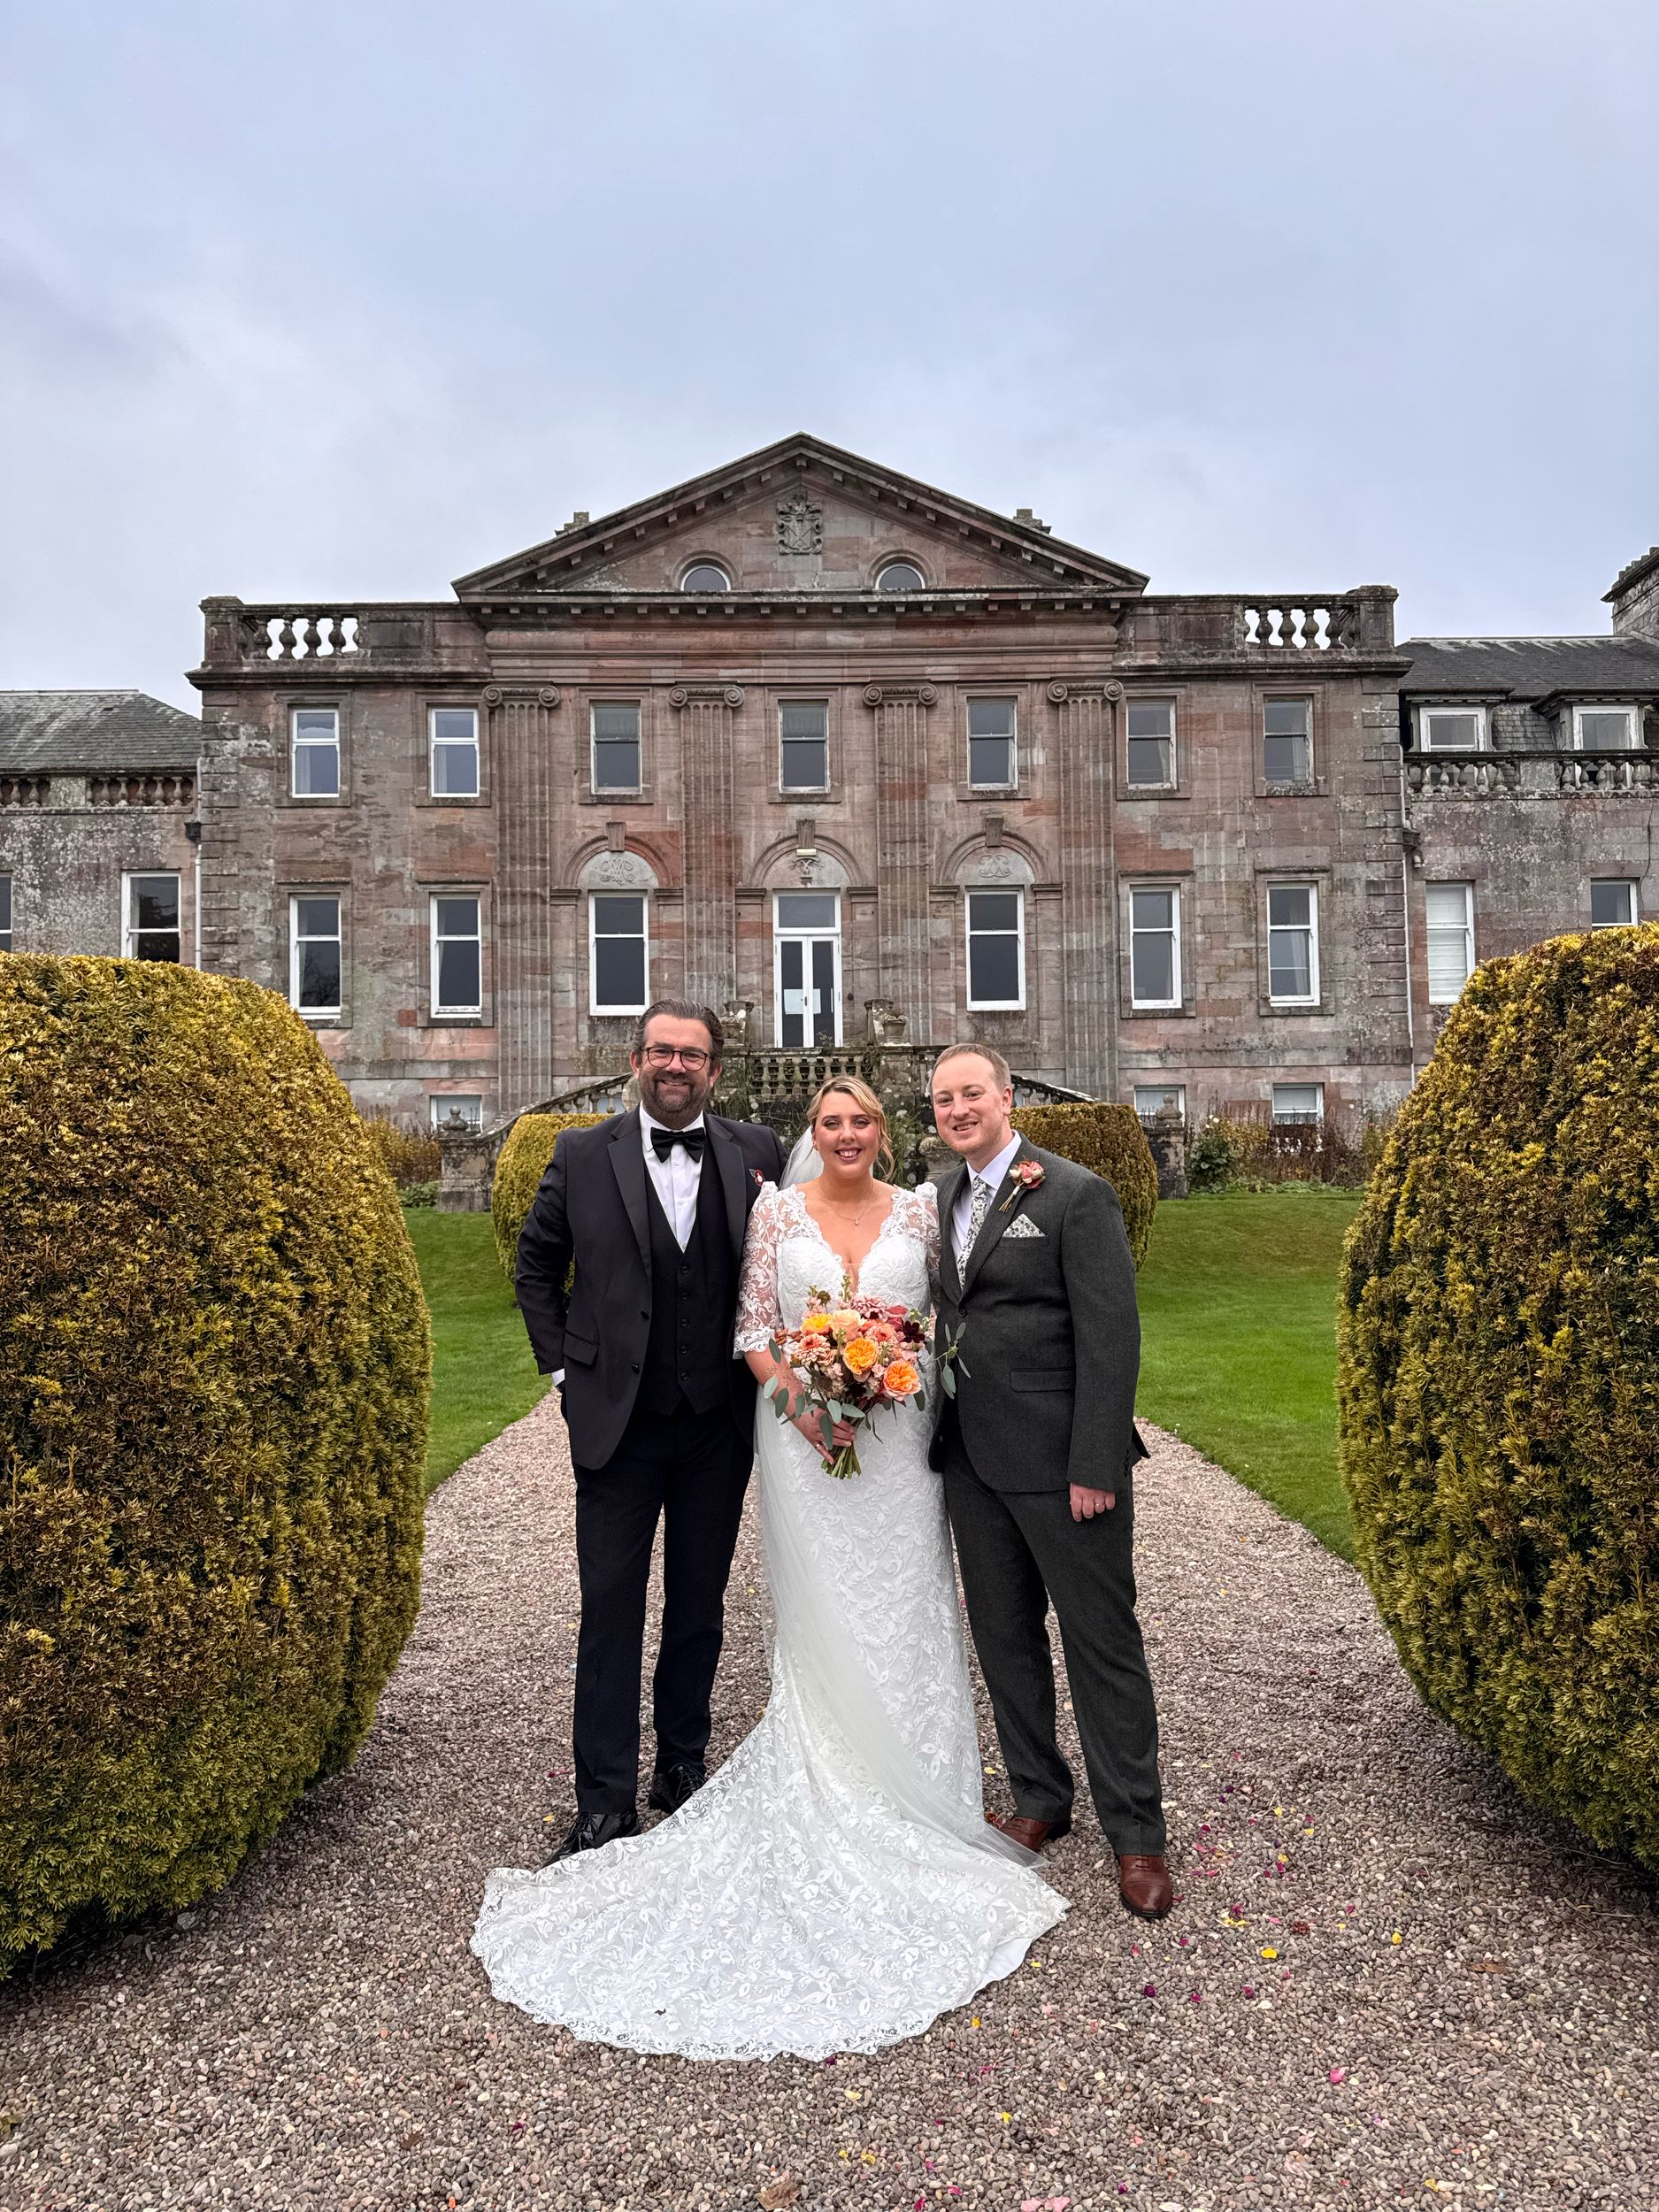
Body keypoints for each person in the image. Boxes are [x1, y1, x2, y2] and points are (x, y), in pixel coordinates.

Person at [471, 1075, 1064, 2060]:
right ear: (812, 1134)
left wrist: (885, 1371)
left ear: (884, 1129)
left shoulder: (926, 1206)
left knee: (906, 1605)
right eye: (829, 1121)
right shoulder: (774, 1205)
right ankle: (659, 1787)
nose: (843, 1132)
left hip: (899, 1440)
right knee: (804, 1609)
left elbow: (952, 1310)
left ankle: (923, 1784)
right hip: (801, 1440)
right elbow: (753, 1326)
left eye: (860, 1119)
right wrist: (811, 1400)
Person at [505, 1000, 785, 1861]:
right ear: (636, 1059)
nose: (675, 1065)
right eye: (661, 1050)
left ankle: (682, 1768)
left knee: (699, 1609)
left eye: (691, 1054)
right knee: (611, 1612)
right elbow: (536, 1266)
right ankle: (604, 1800)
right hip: (616, 1430)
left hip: (715, 1427)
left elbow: (789, 1267)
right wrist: (564, 1369)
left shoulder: (758, 1153)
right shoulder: (582, 1152)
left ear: (715, 1070)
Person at [928, 1043, 1173, 1921]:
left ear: (1005, 1098)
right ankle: (1039, 1798)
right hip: (971, 1461)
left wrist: (1095, 1463)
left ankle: (1137, 1833)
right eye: (944, 1097)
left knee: (1100, 1645)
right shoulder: (947, 1195)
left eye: (972, 1094)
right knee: (1006, 1641)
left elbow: (1112, 1337)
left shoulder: (1071, 1192)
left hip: (1064, 1468)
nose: (958, 1108)